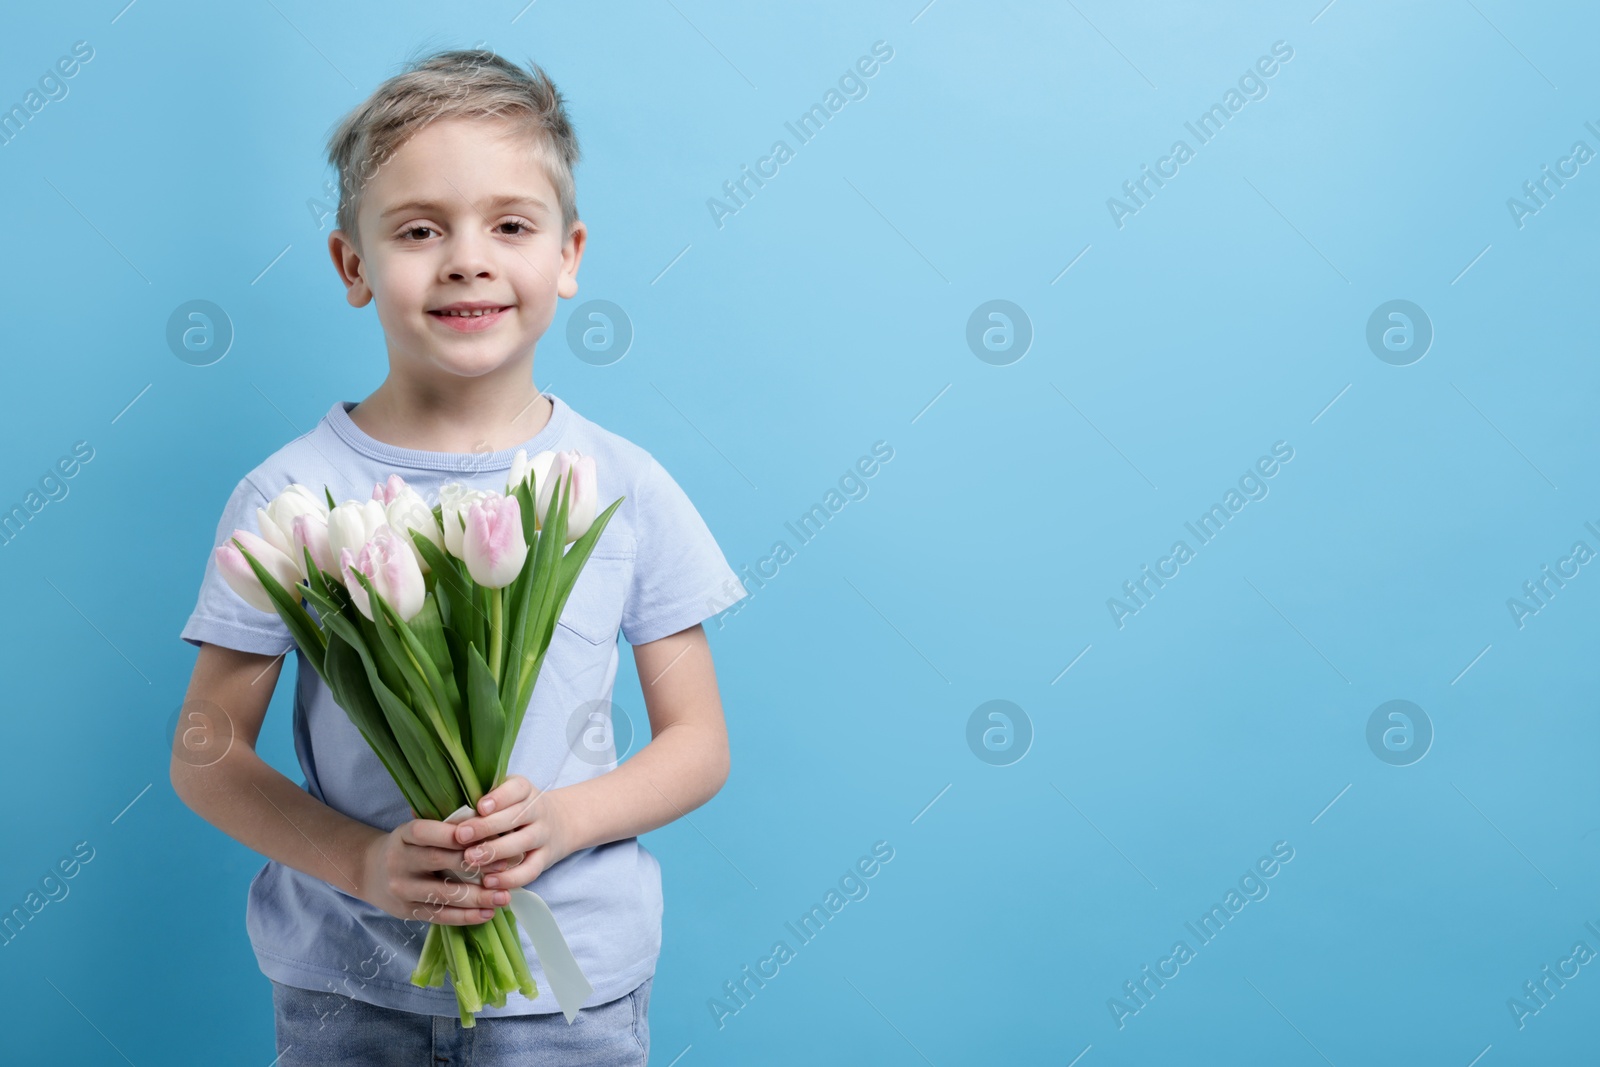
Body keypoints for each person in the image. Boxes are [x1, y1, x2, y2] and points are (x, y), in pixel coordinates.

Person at [171, 47, 747, 1066]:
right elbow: (208, 750)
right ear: (353, 266)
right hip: (347, 980)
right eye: (419, 229)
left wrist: (564, 819)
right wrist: (362, 858)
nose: (467, 258)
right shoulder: (289, 496)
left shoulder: (618, 481)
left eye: (510, 225)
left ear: (568, 257)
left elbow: (697, 740)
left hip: (571, 984)